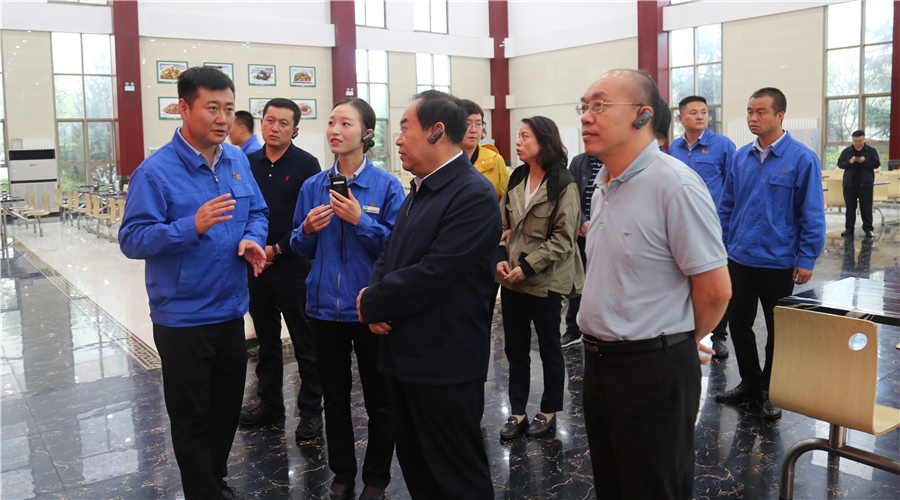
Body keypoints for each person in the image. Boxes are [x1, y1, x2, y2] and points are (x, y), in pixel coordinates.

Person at [576, 69, 731, 499]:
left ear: (642, 115)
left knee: (652, 486)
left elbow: (715, 290)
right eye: (584, 107)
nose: (586, 116)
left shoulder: (674, 184)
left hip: (651, 369)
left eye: (599, 105)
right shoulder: (604, 185)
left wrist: (677, 342)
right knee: (612, 482)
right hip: (600, 363)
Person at [119, 66, 268, 500]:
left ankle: (214, 481)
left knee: (224, 411)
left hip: (231, 309)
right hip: (182, 318)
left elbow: (258, 212)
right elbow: (132, 239)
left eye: (228, 109)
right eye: (212, 108)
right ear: (183, 108)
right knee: (191, 418)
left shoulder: (236, 160)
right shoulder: (155, 172)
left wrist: (251, 238)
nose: (222, 119)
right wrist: (191, 225)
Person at [356, 90, 500, 499]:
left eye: (405, 129)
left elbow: (436, 272)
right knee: (419, 470)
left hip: (445, 363)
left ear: (437, 131)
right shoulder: (421, 188)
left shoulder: (471, 194)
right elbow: (390, 253)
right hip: (406, 357)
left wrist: (373, 302)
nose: (398, 139)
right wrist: (375, 297)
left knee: (455, 477)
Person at [291, 98, 404, 500]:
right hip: (324, 309)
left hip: (368, 308)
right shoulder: (313, 187)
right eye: (331, 122)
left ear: (367, 134)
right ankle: (342, 473)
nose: (335, 130)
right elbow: (299, 247)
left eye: (346, 123)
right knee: (334, 398)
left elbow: (397, 249)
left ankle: (376, 479)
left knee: (380, 401)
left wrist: (361, 220)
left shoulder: (387, 186)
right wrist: (306, 229)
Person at [716, 87, 826, 419]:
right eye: (750, 111)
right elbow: (727, 207)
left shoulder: (802, 158)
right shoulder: (741, 157)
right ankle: (749, 381)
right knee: (739, 322)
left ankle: (769, 388)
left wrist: (806, 258)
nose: (753, 118)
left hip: (778, 261)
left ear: (780, 115)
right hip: (739, 257)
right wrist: (724, 246)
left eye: (761, 112)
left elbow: (812, 213)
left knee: (778, 329)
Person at [241, 98, 324, 441]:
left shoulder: (307, 164)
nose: (275, 127)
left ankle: (311, 412)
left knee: (305, 343)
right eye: (270, 120)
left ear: (295, 129)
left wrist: (279, 249)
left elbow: (314, 219)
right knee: (266, 341)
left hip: (293, 266)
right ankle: (270, 403)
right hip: (255, 266)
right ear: (261, 123)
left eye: (283, 123)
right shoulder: (246, 163)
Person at [497, 116, 583, 440]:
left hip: (544, 280)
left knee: (549, 348)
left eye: (525, 136)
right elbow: (503, 226)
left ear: (544, 142)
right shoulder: (517, 176)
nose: (517, 142)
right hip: (512, 279)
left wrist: (528, 266)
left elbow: (564, 238)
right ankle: (517, 412)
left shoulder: (563, 184)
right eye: (518, 136)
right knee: (515, 349)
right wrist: (500, 258)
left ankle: (548, 412)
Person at [668, 95, 737, 359]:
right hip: (680, 225)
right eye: (694, 112)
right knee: (684, 281)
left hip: (712, 225)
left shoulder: (723, 145)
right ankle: (685, 333)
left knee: (715, 281)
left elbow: (733, 186)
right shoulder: (673, 148)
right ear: (680, 118)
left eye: (704, 112)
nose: (700, 116)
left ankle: (719, 337)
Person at [562, 152, 601, 349]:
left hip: (608, 232)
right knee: (578, 280)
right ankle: (573, 329)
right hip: (582, 233)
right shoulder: (579, 162)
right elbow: (571, 197)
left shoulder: (617, 159)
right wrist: (583, 222)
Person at [460, 99, 509, 201]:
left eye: (478, 124)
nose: (473, 130)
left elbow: (507, 201)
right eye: (467, 124)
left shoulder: (495, 160)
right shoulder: (442, 159)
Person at [838, 130, 880, 239]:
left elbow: (876, 164)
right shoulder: (847, 151)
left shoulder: (871, 151)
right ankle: (849, 229)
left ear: (864, 139)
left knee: (866, 208)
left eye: (860, 141)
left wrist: (864, 161)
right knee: (850, 208)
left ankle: (868, 229)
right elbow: (840, 164)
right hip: (849, 184)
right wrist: (849, 162)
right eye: (855, 141)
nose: (858, 143)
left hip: (865, 184)